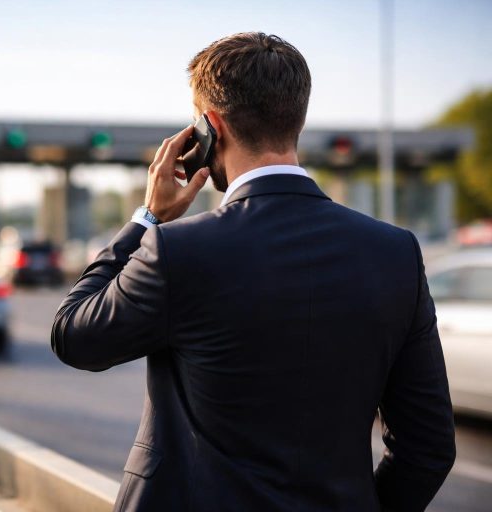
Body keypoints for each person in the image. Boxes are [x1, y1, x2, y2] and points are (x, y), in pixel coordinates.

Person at [51, 32, 455, 512]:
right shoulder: (395, 253)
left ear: (210, 127)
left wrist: (147, 217)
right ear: (296, 118)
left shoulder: (176, 250)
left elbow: (73, 335)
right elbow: (428, 447)